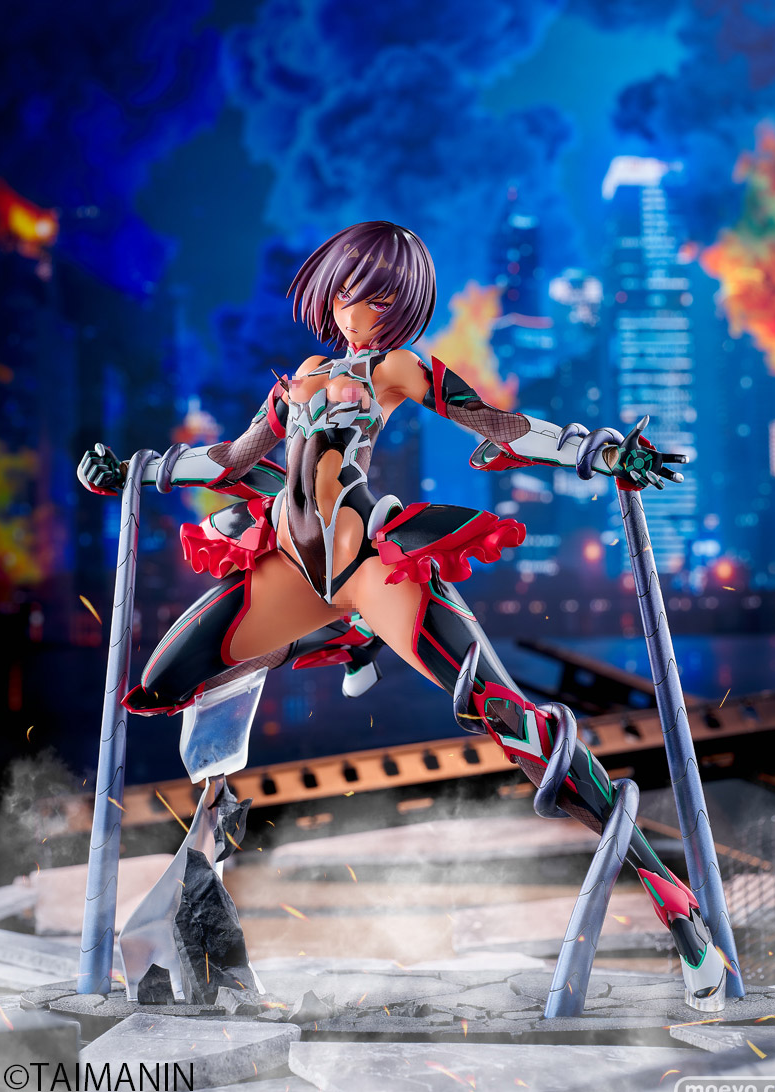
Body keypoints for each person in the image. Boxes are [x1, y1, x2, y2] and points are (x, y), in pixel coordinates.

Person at [79, 220, 725, 1010]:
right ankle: (327, 667)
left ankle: (675, 905)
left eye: (381, 296)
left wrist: (599, 452)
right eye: (350, 292)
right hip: (291, 569)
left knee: (509, 716)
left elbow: (498, 425)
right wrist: (135, 471)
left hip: (367, 562)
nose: (360, 309)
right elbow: (233, 458)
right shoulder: (305, 375)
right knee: (164, 681)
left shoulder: (398, 367)